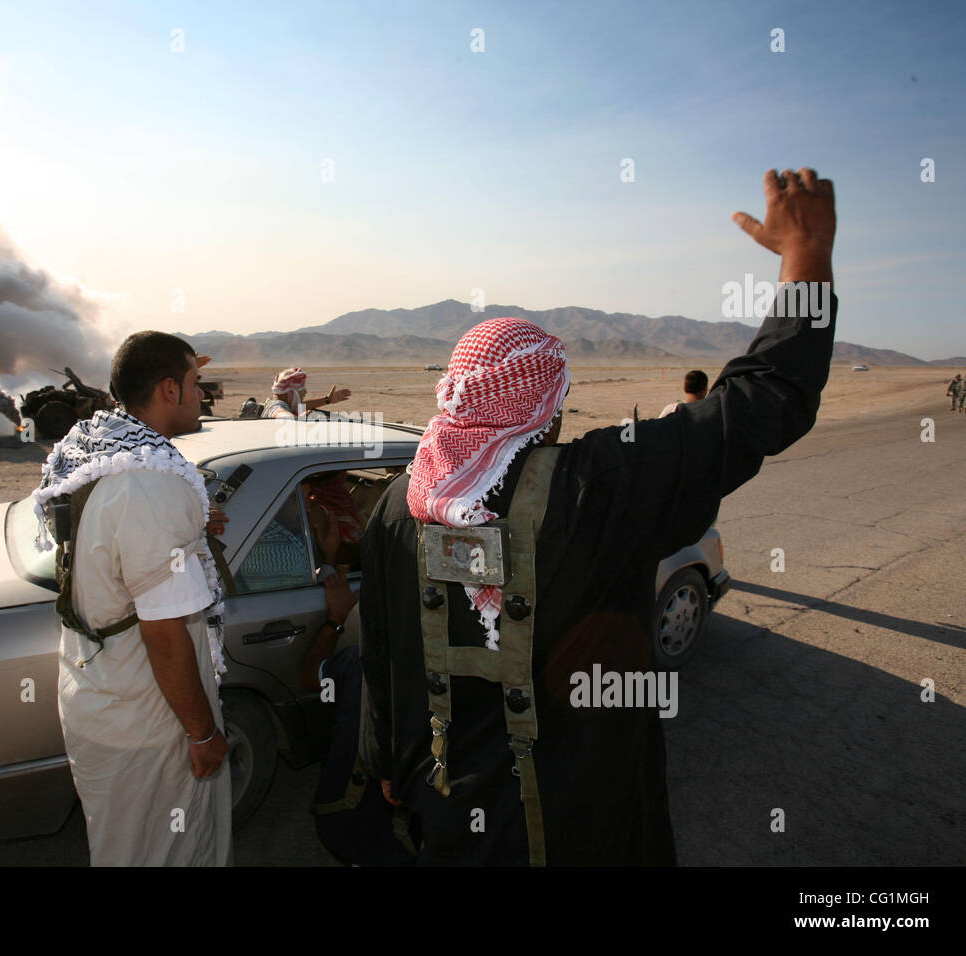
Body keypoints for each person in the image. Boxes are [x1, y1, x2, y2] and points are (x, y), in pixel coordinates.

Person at [359, 167, 839, 864]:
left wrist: (385, 763)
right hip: (581, 821)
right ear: (548, 409)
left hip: (449, 809)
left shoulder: (395, 507)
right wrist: (808, 256)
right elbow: (765, 402)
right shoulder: (597, 485)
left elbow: (381, 658)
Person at [32, 331, 231, 866]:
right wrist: (203, 732)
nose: (201, 395)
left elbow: (110, 539)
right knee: (169, 851)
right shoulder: (149, 483)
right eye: (195, 383)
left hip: (97, 691)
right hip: (147, 717)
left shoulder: (99, 451)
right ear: (169, 389)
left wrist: (186, 525)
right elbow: (164, 631)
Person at [301, 571, 419, 866]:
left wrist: (336, 619)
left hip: (341, 824)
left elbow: (309, 676)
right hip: (407, 843)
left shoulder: (354, 662)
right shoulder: (454, 681)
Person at [262, 367, 352, 420]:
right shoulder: (275, 406)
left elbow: (303, 406)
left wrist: (327, 400)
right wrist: (299, 418)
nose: (305, 392)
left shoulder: (285, 405)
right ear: (290, 393)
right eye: (301, 389)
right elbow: (281, 414)